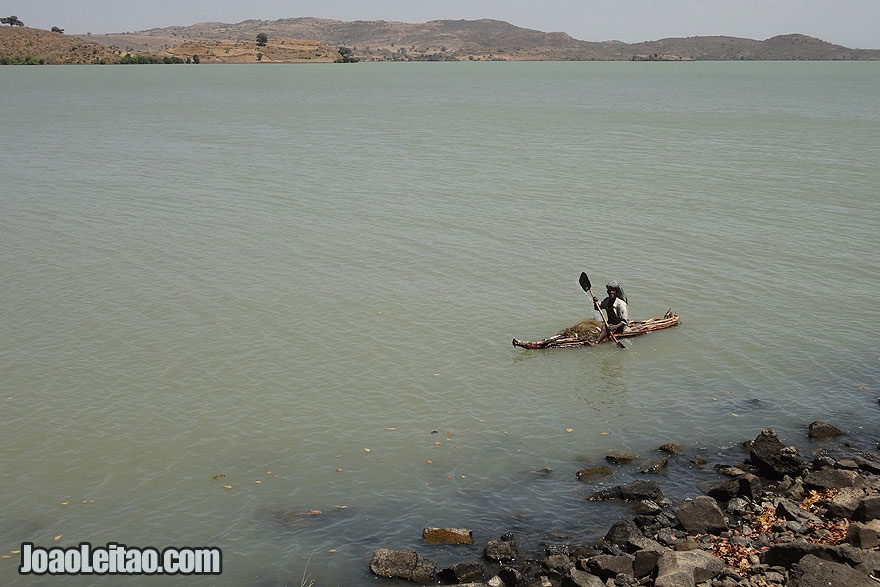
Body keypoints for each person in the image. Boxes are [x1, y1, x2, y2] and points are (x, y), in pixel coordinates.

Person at [588, 281, 629, 345]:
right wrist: (595, 302)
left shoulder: (621, 304)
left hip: (619, 326)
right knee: (596, 325)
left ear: (616, 292)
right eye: (609, 290)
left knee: (605, 328)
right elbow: (597, 307)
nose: (611, 292)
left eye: (613, 290)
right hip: (610, 323)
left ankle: (596, 342)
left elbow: (624, 321)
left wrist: (615, 327)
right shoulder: (607, 300)